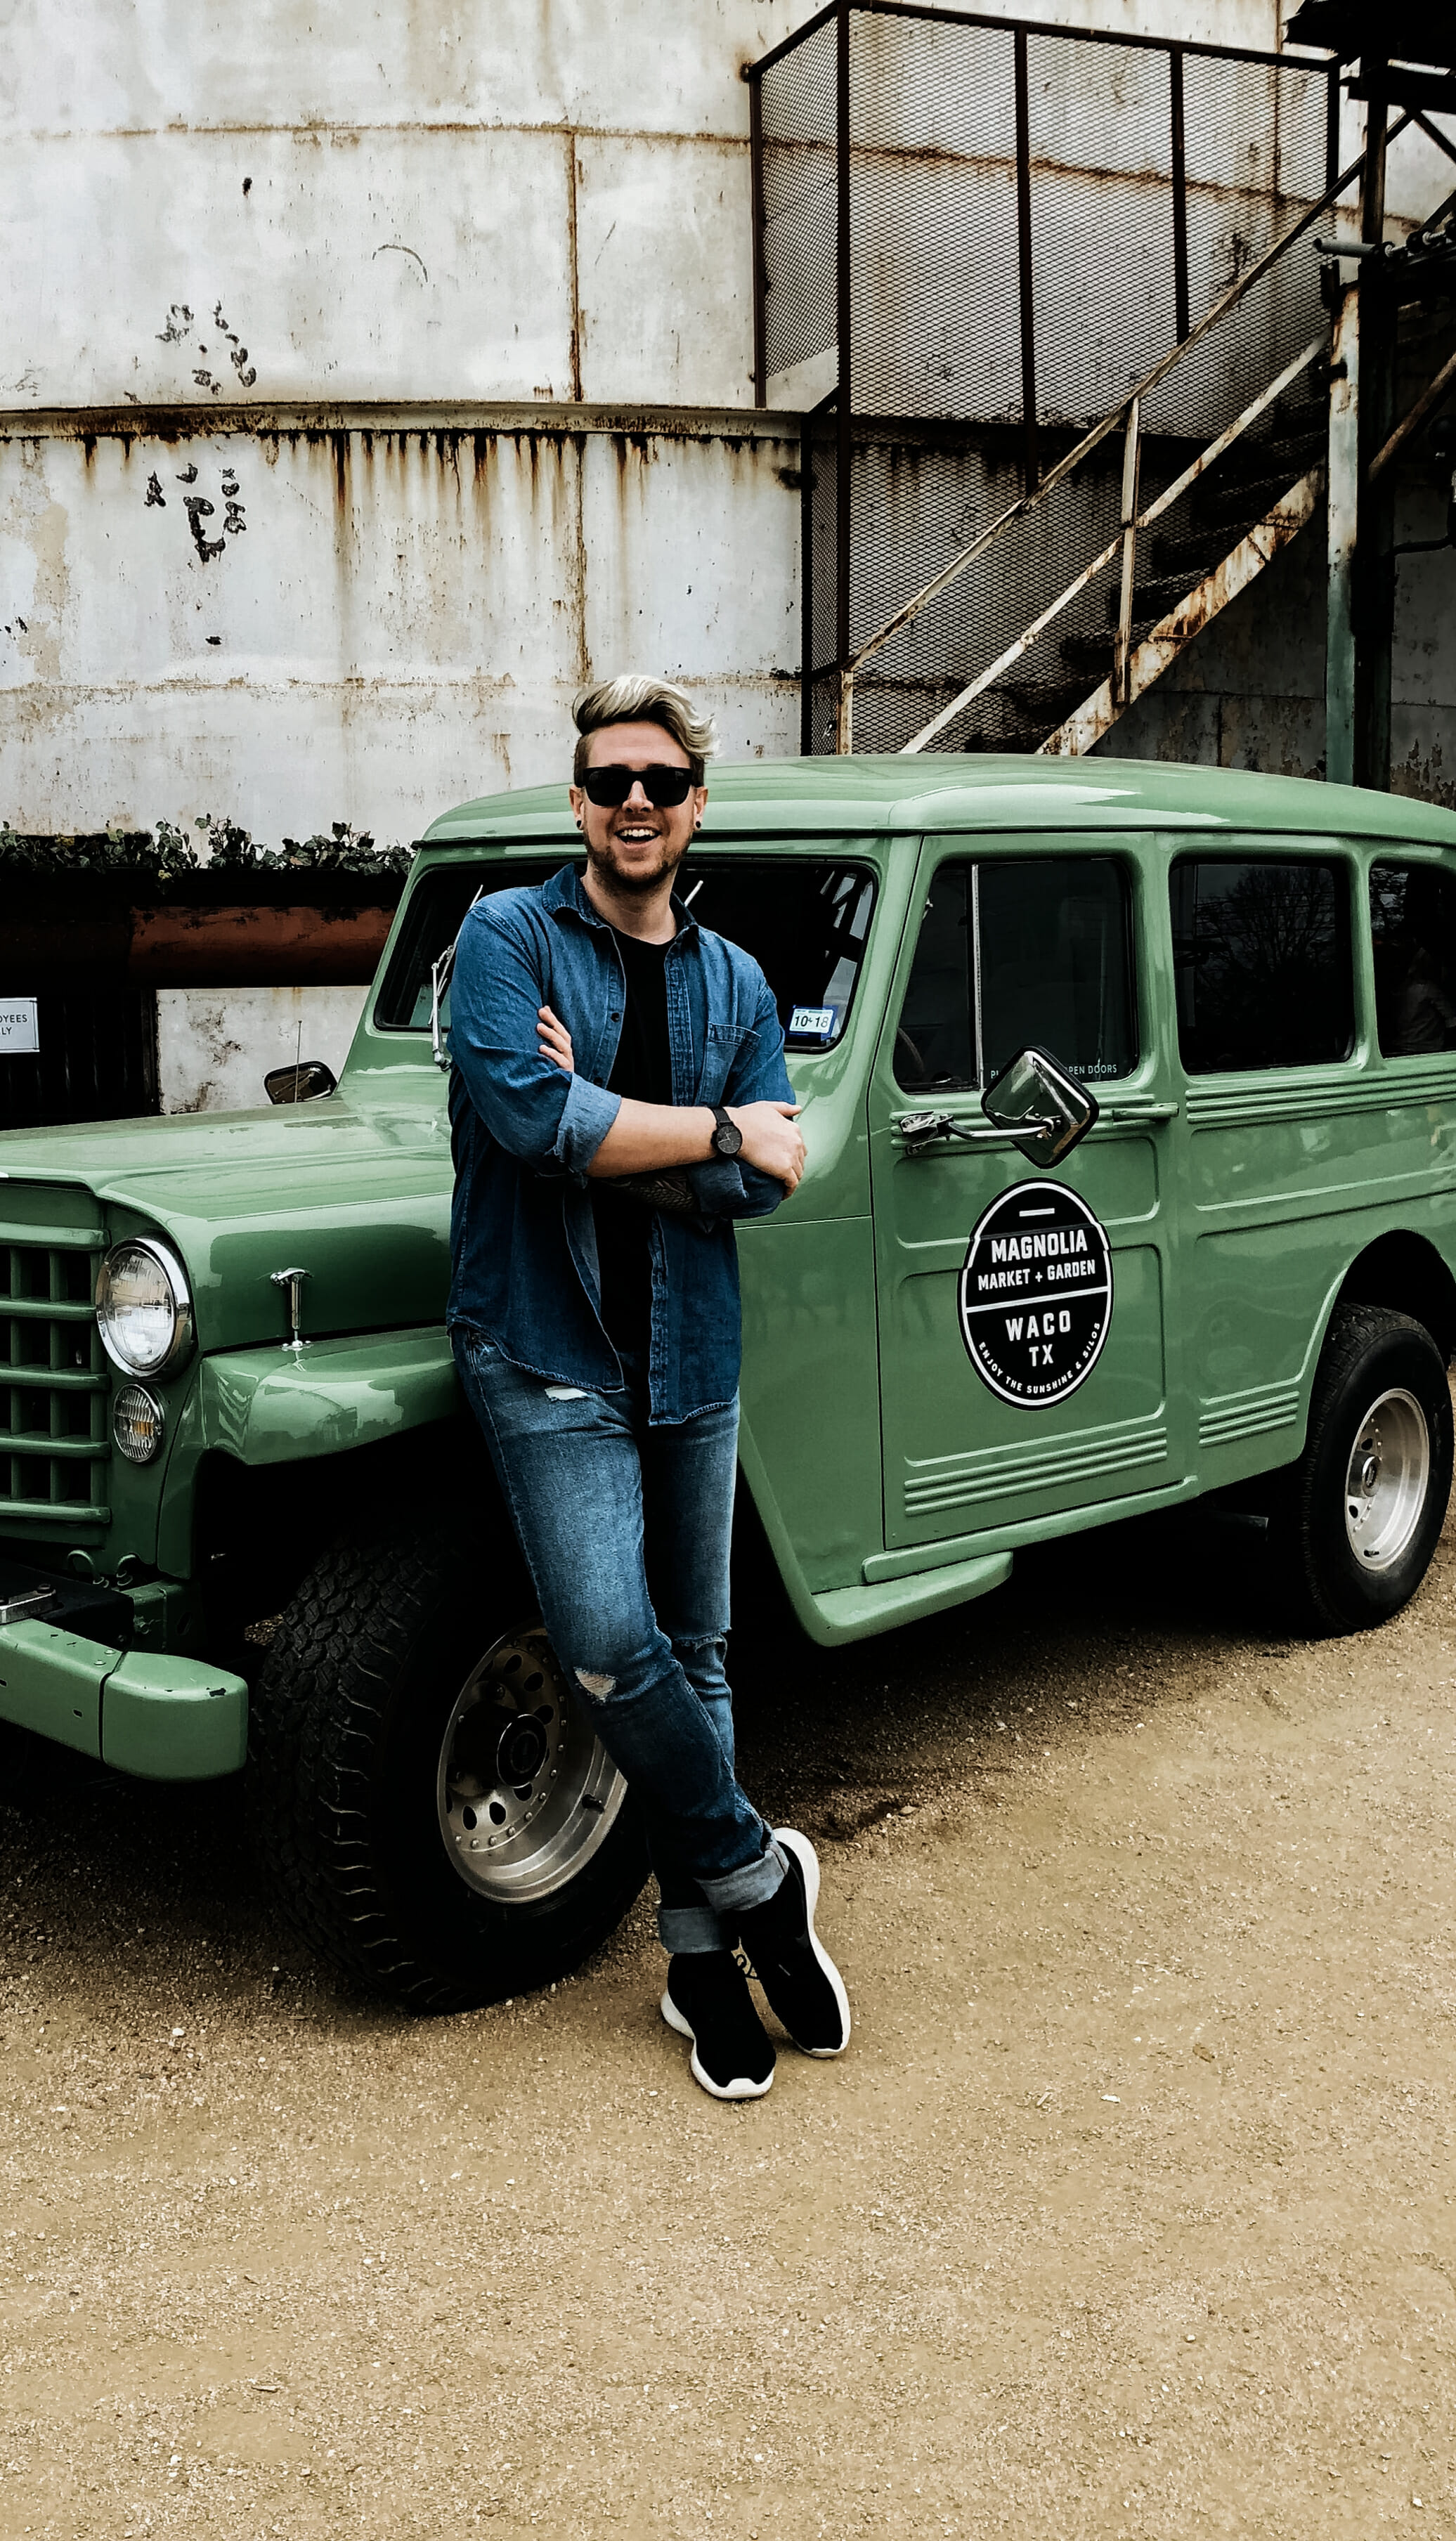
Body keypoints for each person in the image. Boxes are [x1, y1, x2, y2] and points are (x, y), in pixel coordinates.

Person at [443, 674, 850, 2100]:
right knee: (612, 1640)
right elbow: (530, 1118)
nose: (634, 802)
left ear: (693, 807)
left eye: (661, 783)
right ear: (576, 800)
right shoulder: (504, 936)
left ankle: (695, 1958)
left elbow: (758, 1177)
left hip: (690, 1348)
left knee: (702, 1642)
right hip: (545, 1346)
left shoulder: (737, 979)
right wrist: (714, 1125)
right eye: (610, 779)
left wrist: (635, 1133)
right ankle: (754, 1870)